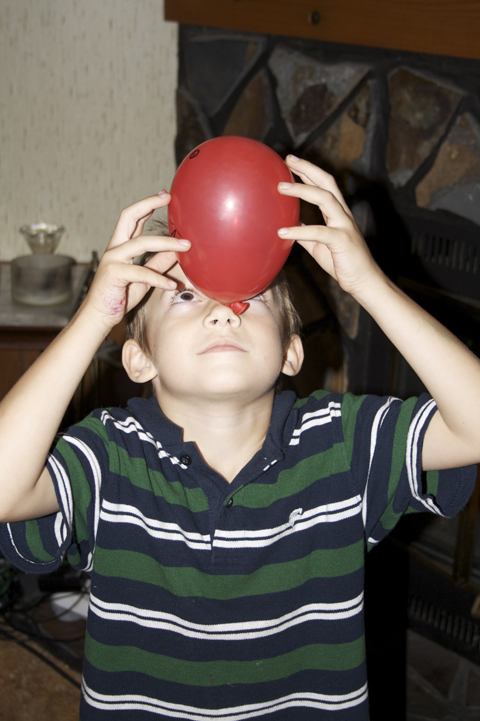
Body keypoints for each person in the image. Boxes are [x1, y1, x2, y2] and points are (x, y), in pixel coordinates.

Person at [0, 155, 478, 720]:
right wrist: (91, 319)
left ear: (292, 351)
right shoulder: (110, 454)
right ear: (138, 358)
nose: (224, 311)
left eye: (251, 295)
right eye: (185, 295)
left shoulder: (344, 445)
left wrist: (367, 284)